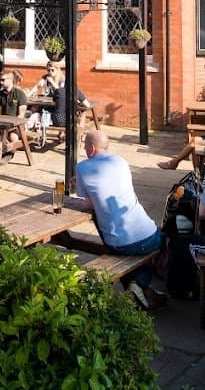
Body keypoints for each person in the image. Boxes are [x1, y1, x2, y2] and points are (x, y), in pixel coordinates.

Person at [74, 130, 166, 310]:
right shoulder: (121, 162)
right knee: (160, 242)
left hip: (118, 243)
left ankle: (137, 285)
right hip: (148, 234)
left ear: (92, 148)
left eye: (85, 146)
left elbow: (88, 204)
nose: (84, 149)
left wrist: (80, 184)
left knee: (125, 254)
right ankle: (138, 287)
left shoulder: (82, 168)